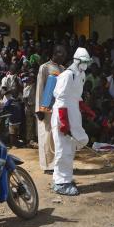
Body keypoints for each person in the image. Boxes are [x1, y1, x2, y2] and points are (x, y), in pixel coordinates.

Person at [51, 47, 92, 196]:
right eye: (84, 61)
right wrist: (63, 122)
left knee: (80, 141)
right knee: (64, 149)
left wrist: (87, 110)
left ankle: (60, 177)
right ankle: (61, 182)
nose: (86, 64)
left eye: (88, 62)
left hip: (74, 112)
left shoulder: (81, 74)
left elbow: (76, 97)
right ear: (77, 61)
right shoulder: (67, 75)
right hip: (63, 113)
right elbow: (61, 98)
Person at [35, 45, 66, 173]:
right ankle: (47, 165)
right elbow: (40, 88)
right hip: (46, 107)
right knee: (47, 136)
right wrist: (40, 109)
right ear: (55, 53)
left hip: (58, 107)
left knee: (56, 136)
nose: (64, 56)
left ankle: (56, 163)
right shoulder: (45, 68)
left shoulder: (63, 69)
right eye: (62, 54)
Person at [23, 72, 37, 144]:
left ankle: (36, 137)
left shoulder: (36, 86)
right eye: (31, 78)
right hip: (29, 106)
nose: (33, 79)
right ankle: (29, 139)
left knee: (36, 123)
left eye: (34, 77)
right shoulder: (27, 88)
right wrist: (28, 108)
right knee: (29, 123)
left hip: (36, 106)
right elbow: (25, 99)